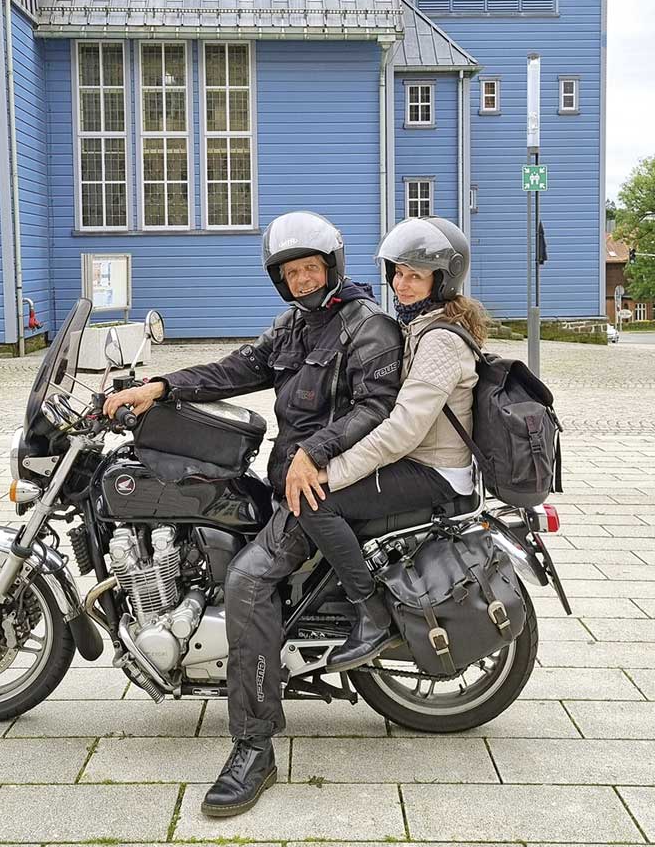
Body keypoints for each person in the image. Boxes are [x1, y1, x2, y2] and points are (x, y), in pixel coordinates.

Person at [103, 210, 403, 818]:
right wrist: (159, 388)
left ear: (332, 267)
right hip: (287, 475)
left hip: (325, 482)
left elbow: (379, 406)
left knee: (246, 582)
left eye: (309, 269)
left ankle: (254, 747)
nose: (299, 280)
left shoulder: (366, 326)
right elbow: (237, 368)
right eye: (289, 273)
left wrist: (314, 453)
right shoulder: (294, 327)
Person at [292, 216, 489, 671]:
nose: (402, 284)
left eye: (415, 275)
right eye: (398, 273)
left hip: (436, 472)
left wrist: (332, 471)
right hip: (426, 462)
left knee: (315, 501)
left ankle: (371, 614)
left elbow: (404, 429)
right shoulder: (423, 325)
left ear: (442, 280)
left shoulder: (439, 340)